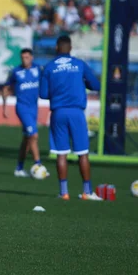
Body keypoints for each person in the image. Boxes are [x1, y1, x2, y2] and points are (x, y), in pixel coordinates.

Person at [39, 35, 100, 200]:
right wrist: (82, 83)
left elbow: (43, 94)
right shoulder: (80, 64)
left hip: (58, 113)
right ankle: (87, 192)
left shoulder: (49, 67)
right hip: (76, 113)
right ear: (70, 48)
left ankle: (64, 192)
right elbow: (96, 85)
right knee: (83, 153)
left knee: (61, 154)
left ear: (57, 48)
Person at [1, 48, 46, 177]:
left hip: (34, 108)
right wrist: (5, 107)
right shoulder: (15, 71)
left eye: (27, 57)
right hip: (22, 108)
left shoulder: (38, 69)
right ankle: (38, 165)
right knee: (34, 135)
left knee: (27, 139)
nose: (24, 60)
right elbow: (6, 88)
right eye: (22, 58)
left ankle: (19, 168)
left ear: (31, 58)